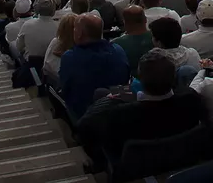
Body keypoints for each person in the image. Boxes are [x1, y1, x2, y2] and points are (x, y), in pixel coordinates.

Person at [78, 53, 206, 160]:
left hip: (136, 169)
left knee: (100, 92)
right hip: (181, 159)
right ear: (174, 77)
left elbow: (93, 134)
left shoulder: (119, 114)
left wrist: (109, 98)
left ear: (139, 79)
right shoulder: (191, 99)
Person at [58, 13, 130, 119]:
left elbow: (64, 89)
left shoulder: (70, 57)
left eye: (74, 29)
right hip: (118, 112)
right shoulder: (118, 50)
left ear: (79, 33)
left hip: (85, 115)